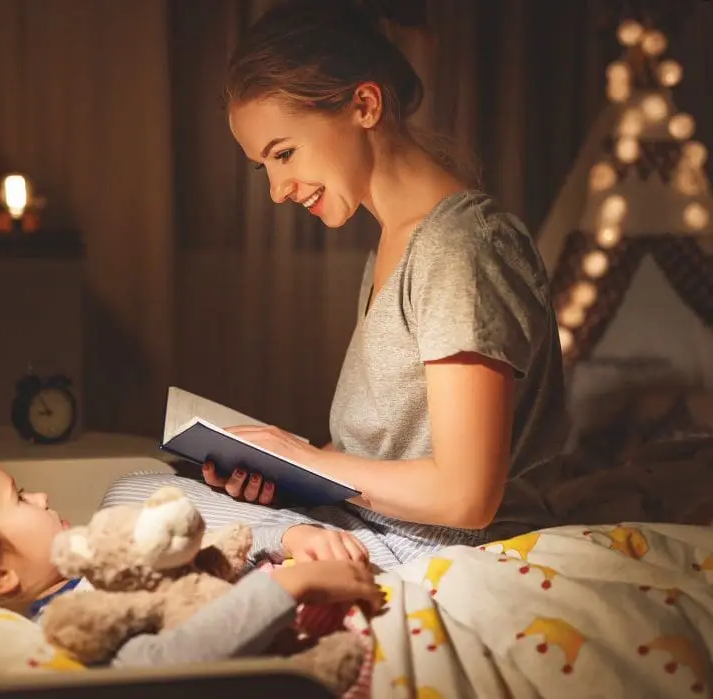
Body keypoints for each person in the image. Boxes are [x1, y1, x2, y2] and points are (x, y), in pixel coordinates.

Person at [100, 0, 569, 570]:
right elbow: (371, 458)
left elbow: (465, 497)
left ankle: (285, 541)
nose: (277, 191)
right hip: (366, 523)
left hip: (436, 545)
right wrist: (277, 474)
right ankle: (285, 535)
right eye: (265, 166)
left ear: (365, 105)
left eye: (284, 153)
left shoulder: (462, 247)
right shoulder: (391, 248)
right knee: (135, 490)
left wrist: (306, 462)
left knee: (139, 507)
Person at [0, 451, 383, 668]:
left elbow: (194, 555)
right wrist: (291, 586)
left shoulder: (93, 570)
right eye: (21, 497)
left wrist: (281, 539)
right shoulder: (71, 625)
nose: (42, 498)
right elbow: (167, 661)